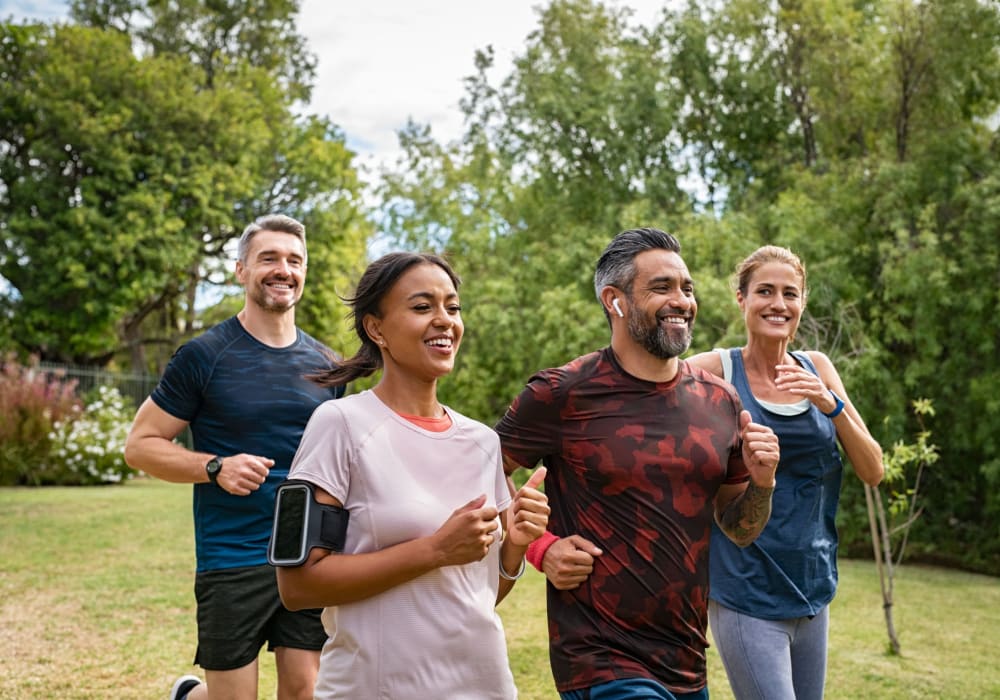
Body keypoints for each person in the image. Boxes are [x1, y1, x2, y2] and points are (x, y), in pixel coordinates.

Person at [495, 227, 781, 700]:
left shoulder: (721, 401)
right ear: (616, 301)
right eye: (661, 287)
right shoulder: (562, 392)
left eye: (687, 288)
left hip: (686, 659)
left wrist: (763, 482)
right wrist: (541, 548)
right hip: (598, 656)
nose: (681, 300)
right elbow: (478, 471)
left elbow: (740, 528)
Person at [274, 252, 550, 699]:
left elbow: (474, 596)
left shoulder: (483, 442)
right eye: (422, 307)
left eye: (452, 308)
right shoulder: (339, 424)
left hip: (484, 687)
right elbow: (298, 586)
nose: (444, 321)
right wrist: (435, 549)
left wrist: (513, 548)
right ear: (376, 328)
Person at [123, 214, 344, 700]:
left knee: (306, 691)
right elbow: (140, 445)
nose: (283, 269)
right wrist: (214, 467)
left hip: (307, 552)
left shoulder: (328, 366)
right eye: (269, 258)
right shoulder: (204, 356)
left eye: (294, 260)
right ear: (242, 270)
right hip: (232, 555)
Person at [685, 245, 884, 700]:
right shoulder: (714, 371)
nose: (778, 303)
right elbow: (644, 391)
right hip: (746, 592)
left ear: (802, 303)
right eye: (765, 291)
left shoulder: (819, 369)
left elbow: (873, 469)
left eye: (789, 293)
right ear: (741, 299)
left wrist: (829, 404)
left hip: (813, 589)